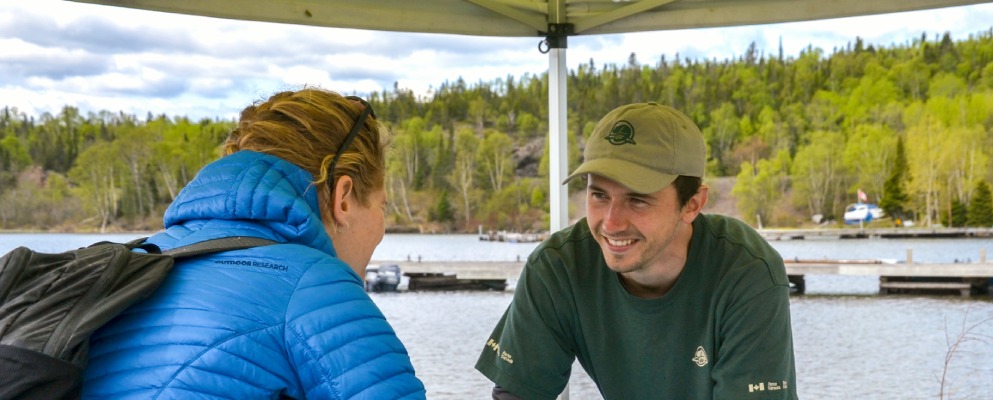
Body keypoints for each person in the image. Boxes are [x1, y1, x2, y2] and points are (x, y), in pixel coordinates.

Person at [82, 88, 426, 399]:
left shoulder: (136, 262)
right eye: (382, 205)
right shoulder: (318, 287)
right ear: (344, 198)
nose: (383, 226)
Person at [475, 102, 797, 399]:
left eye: (638, 200)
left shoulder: (747, 272)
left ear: (693, 204)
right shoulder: (559, 267)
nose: (611, 224)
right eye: (599, 195)